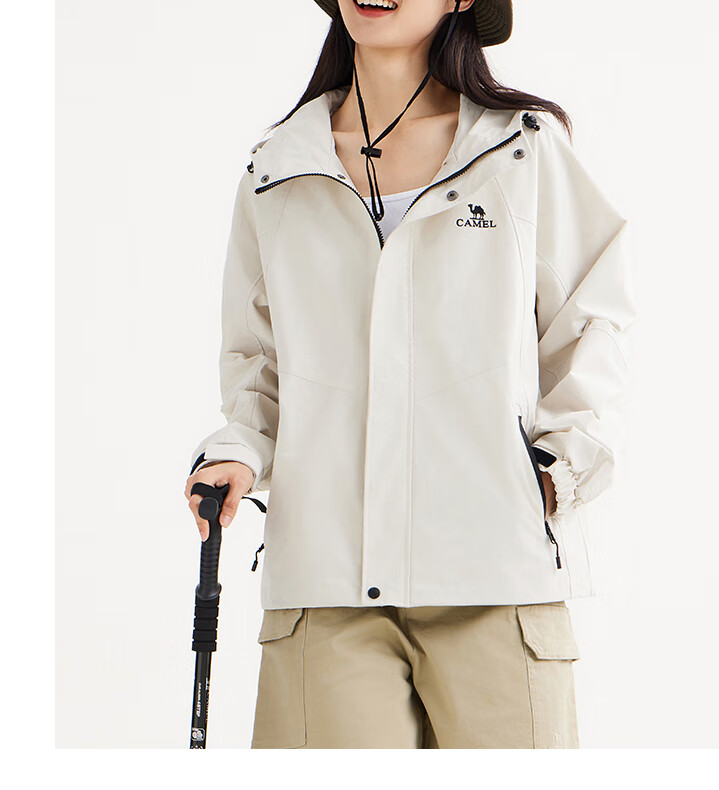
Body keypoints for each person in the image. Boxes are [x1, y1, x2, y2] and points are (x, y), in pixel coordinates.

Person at [184, 0, 635, 749]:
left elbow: (592, 320)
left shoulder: (519, 151)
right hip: (326, 584)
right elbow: (258, 364)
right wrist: (237, 451)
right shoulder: (277, 169)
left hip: (494, 575)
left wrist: (558, 470)